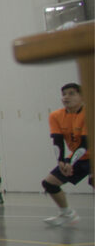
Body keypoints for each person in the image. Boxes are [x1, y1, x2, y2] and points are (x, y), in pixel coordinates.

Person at [40, 83, 90, 226]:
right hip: (79, 156)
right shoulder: (56, 115)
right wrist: (61, 161)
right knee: (49, 183)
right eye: (64, 94)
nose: (66, 97)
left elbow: (85, 144)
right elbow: (57, 141)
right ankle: (67, 214)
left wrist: (70, 162)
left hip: (86, 153)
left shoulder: (89, 113)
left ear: (82, 97)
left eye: (71, 93)